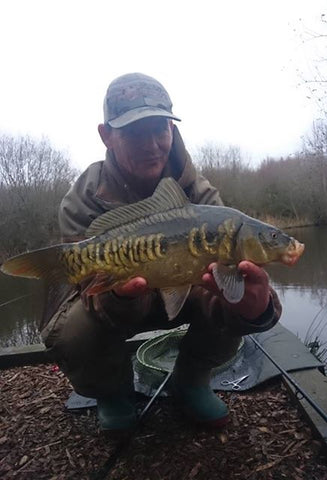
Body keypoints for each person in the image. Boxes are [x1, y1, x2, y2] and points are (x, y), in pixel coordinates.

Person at [41, 73, 282, 432]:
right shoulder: (83, 199)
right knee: (72, 330)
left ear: (172, 128)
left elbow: (232, 274)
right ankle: (113, 393)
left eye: (161, 129)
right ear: (106, 135)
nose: (152, 144)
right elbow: (84, 295)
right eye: (135, 133)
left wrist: (257, 308)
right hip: (118, 296)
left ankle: (191, 381)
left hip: (183, 288)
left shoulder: (200, 194)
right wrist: (119, 296)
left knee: (232, 296)